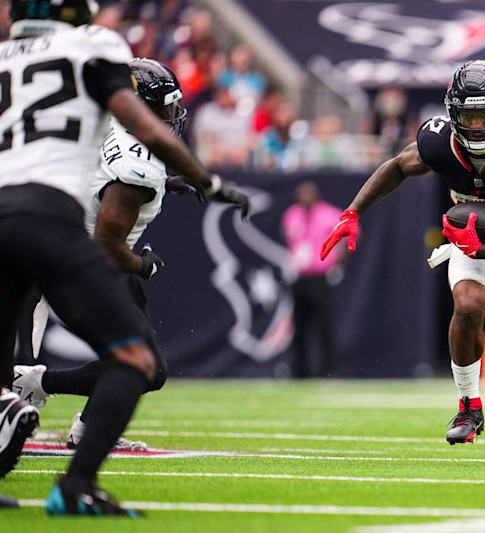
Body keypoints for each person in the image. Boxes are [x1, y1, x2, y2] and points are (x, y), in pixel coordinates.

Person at [0, 0, 248, 516]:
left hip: (18, 217)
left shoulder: (10, 57)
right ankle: (72, 476)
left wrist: (172, 185)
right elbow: (137, 160)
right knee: (138, 361)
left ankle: (29, 394)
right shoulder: (95, 52)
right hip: (59, 240)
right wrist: (207, 185)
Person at [321, 60, 485, 465]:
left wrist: (483, 248)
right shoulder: (437, 142)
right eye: (469, 115)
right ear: (453, 114)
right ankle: (468, 405)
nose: (478, 125)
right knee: (467, 304)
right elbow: (397, 167)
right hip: (475, 248)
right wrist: (353, 211)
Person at [12, 58, 202, 452]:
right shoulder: (136, 161)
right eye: (165, 108)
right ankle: (37, 384)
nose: (172, 116)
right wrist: (143, 266)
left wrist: (167, 183)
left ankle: (84, 422)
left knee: (144, 365)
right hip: (75, 260)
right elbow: (107, 240)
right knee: (142, 366)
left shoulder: (102, 121)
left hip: (68, 247)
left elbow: (101, 171)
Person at [281, 182, 343, 377]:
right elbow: (287, 238)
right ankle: (299, 370)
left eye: (308, 194)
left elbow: (348, 237)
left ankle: (329, 369)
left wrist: (337, 263)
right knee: (299, 325)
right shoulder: (292, 214)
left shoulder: (329, 214)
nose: (305, 197)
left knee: (324, 324)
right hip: (299, 276)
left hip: (320, 276)